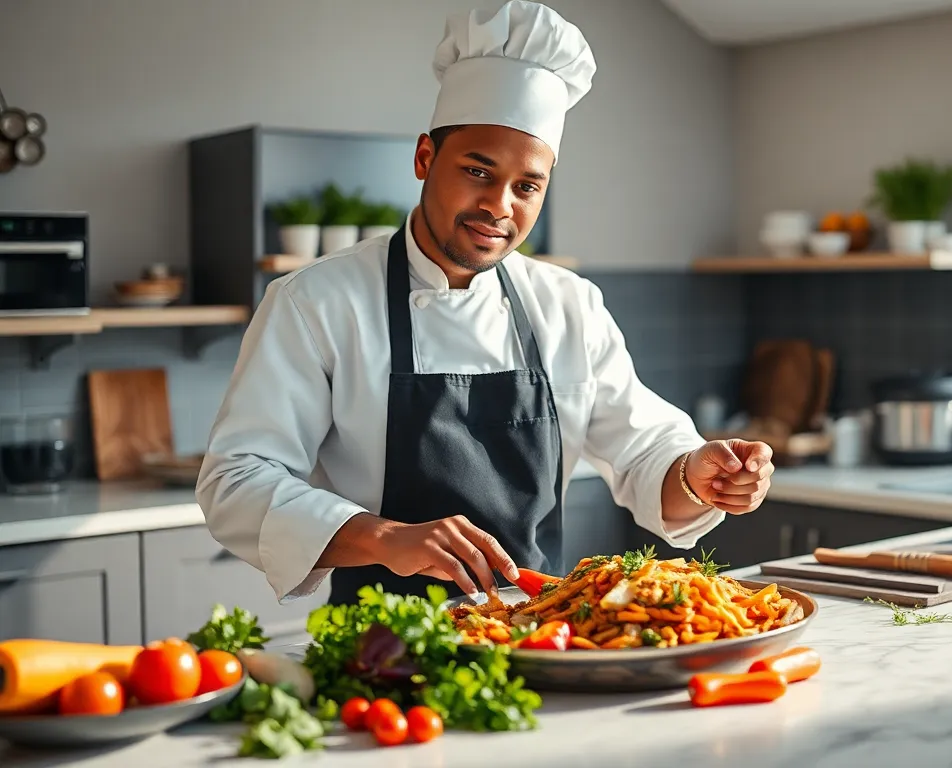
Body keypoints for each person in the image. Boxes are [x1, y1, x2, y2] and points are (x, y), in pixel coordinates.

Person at [196, 0, 775, 607]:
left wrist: (699, 477)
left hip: (539, 637)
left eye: (527, 186)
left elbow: (646, 455)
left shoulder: (567, 305)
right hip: (381, 647)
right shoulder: (315, 302)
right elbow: (236, 481)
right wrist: (385, 537)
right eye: (478, 171)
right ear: (425, 158)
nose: (500, 205)